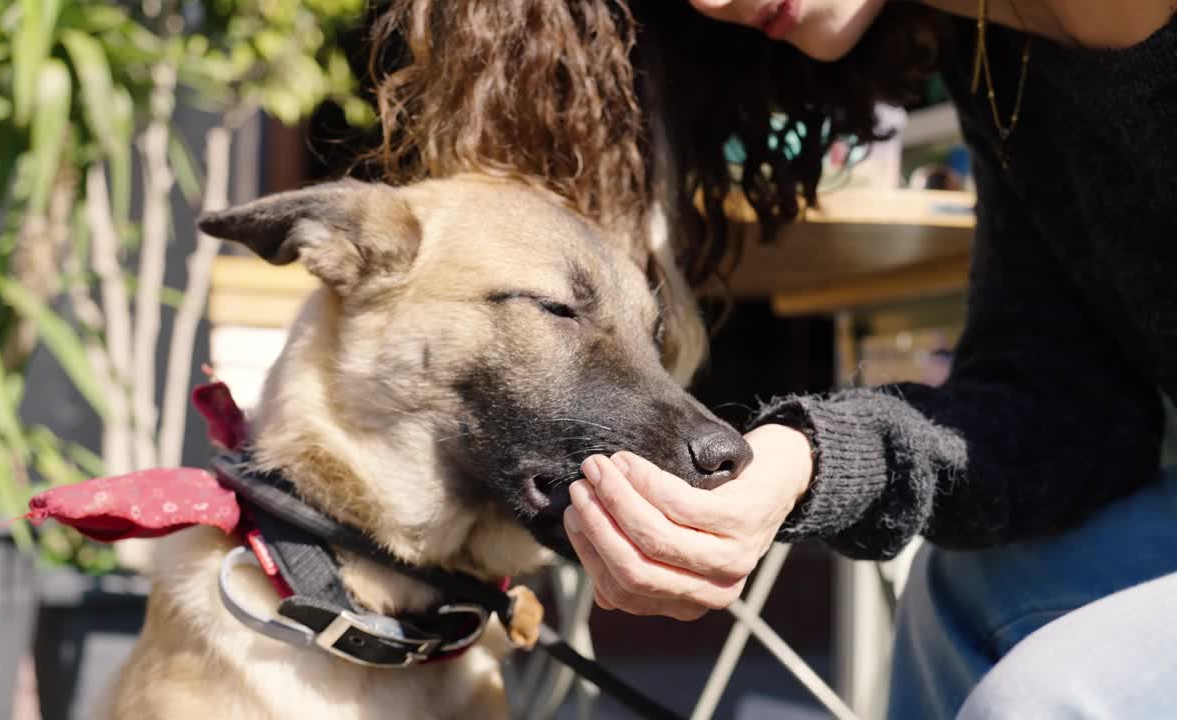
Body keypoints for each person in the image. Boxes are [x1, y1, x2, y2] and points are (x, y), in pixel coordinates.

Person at [369, 1, 1177, 716]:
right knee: (966, 592)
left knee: (1045, 696)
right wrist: (803, 461)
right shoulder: (998, 55)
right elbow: (1070, 405)